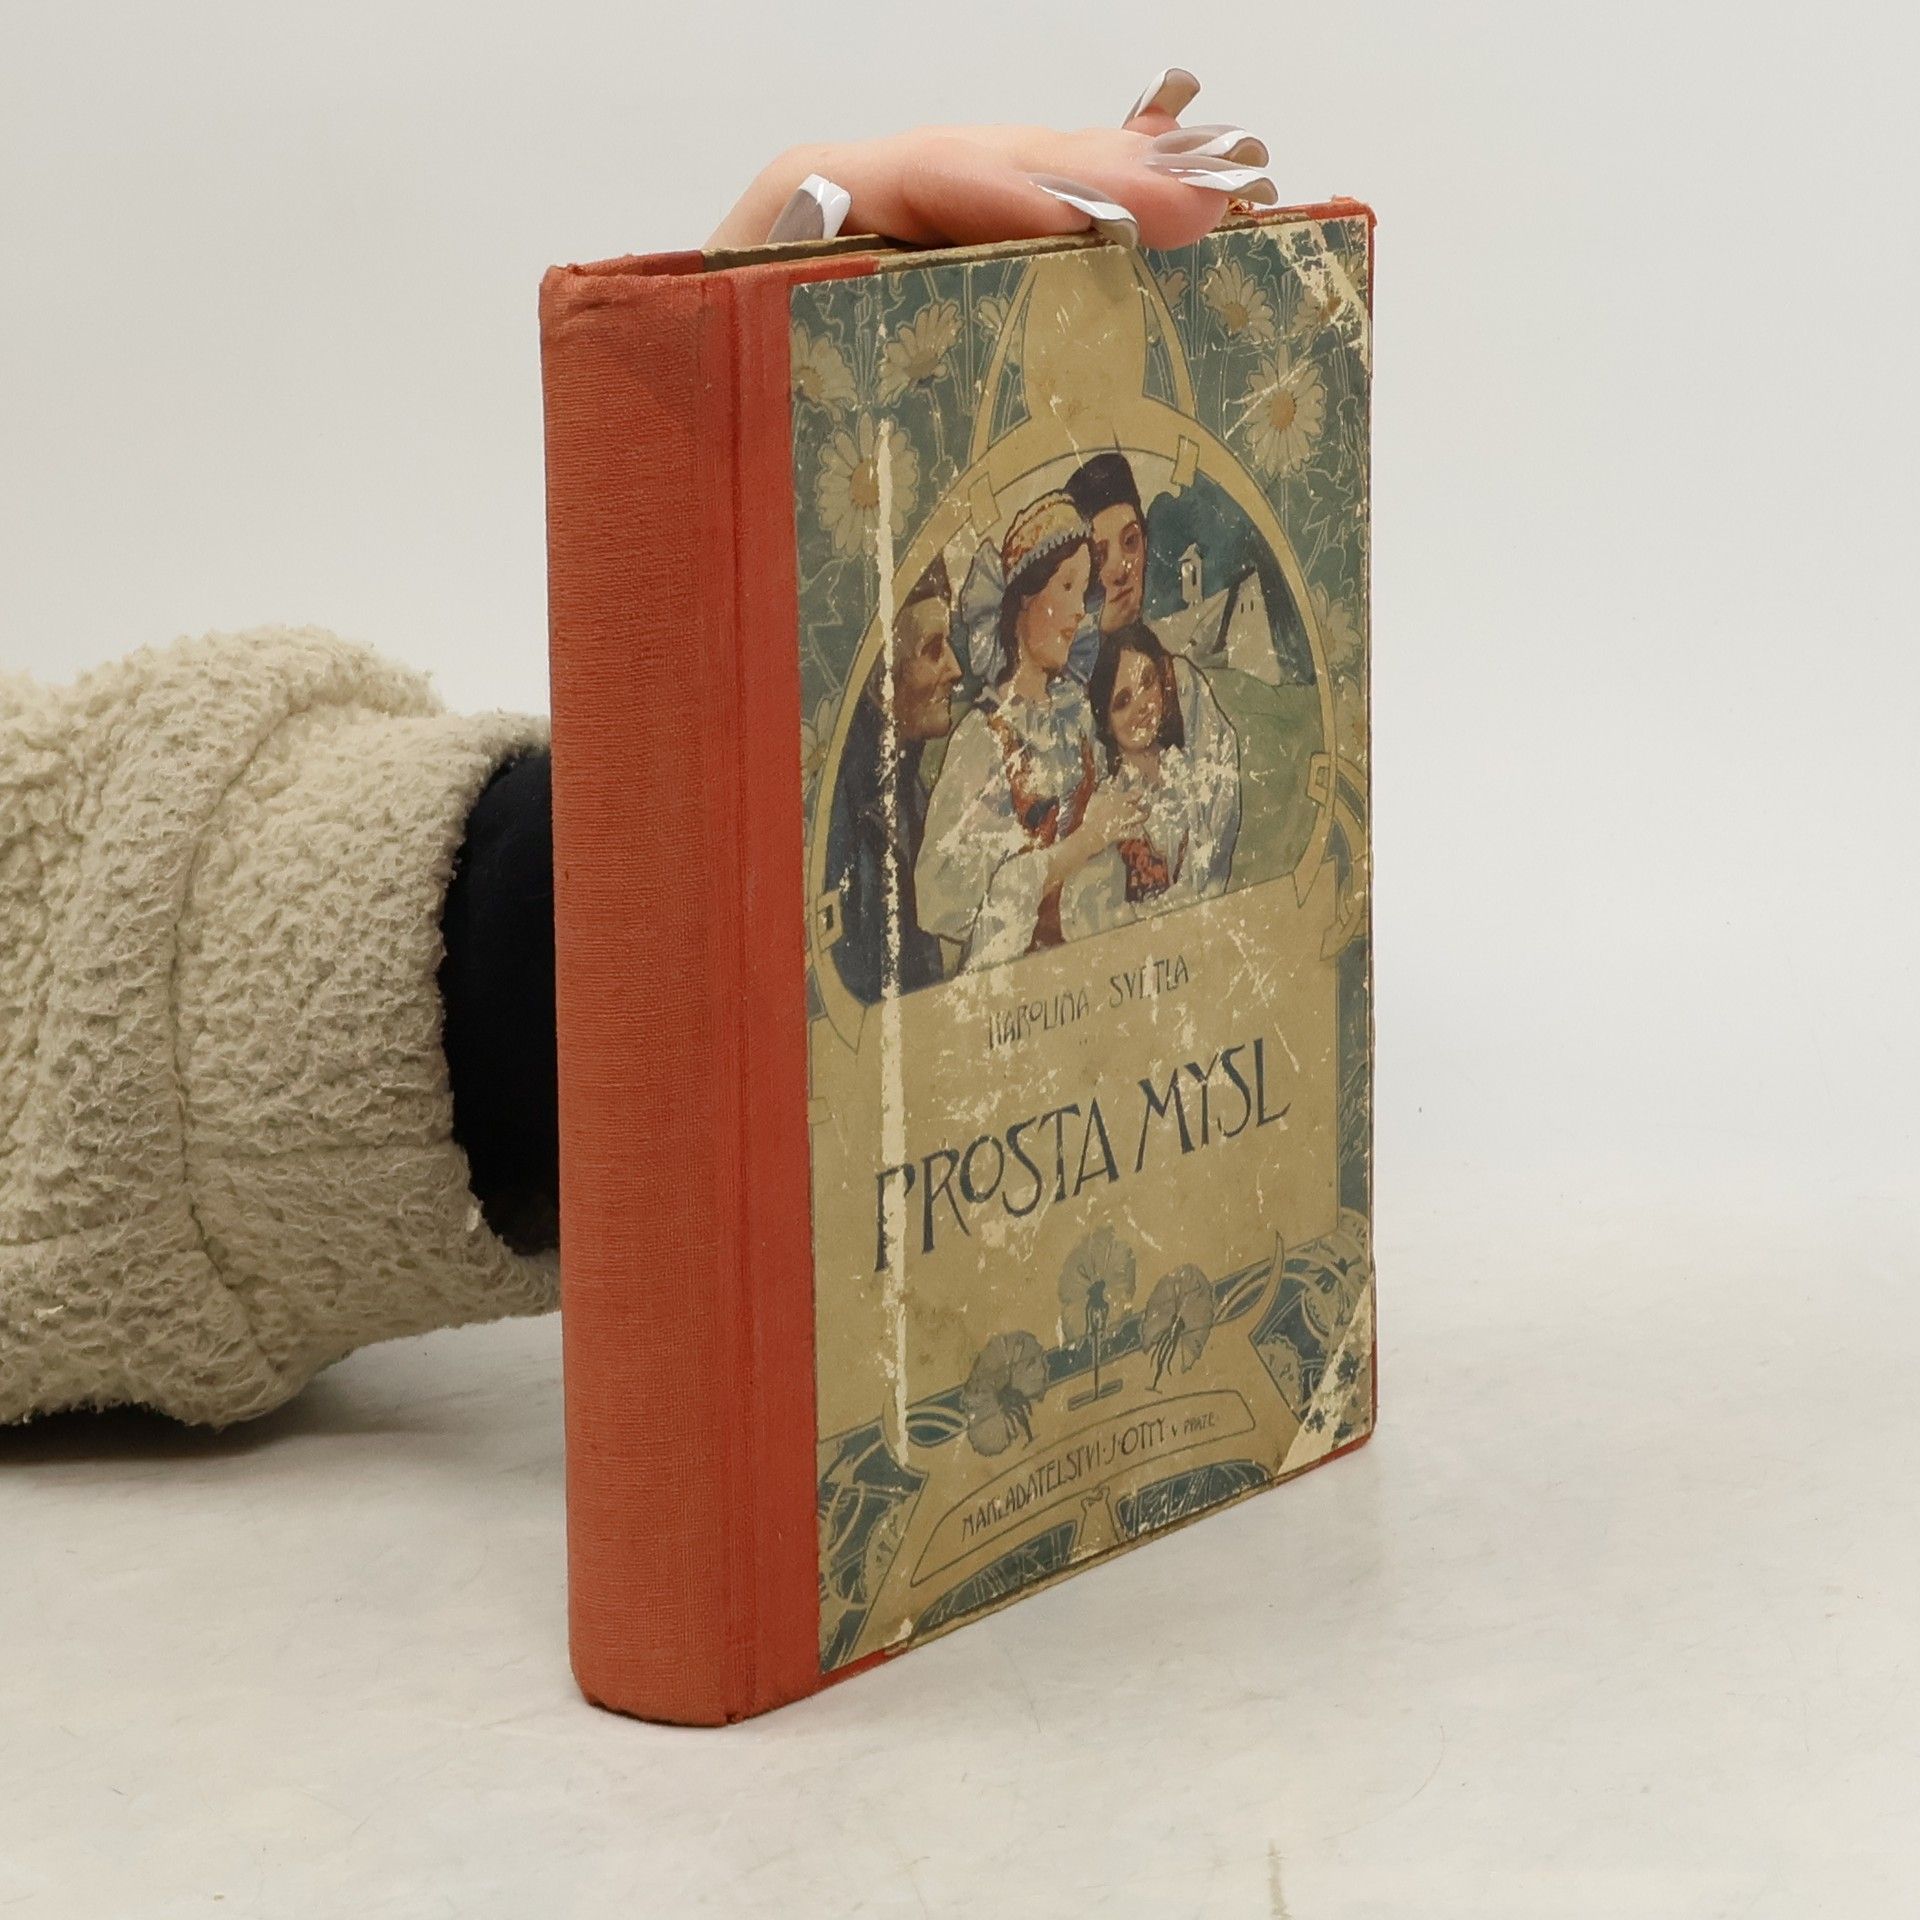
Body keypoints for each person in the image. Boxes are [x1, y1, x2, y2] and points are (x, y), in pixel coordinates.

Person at [0, 81, 1279, 1426]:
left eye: (1102, 576)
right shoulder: (967, 749)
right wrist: (592, 944)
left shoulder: (1106, 709)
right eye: (1066, 583)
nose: (1088, 603)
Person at [914, 494, 1149, 970]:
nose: (1078, 611)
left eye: (1082, 591)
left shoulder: (1076, 718)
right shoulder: (983, 738)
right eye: (1066, 586)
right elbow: (937, 896)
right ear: (1024, 599)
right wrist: (1077, 847)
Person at [823, 554, 964, 1003]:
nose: (956, 669)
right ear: (879, 680)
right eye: (933, 649)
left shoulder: (906, 789)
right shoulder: (847, 812)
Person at [1061, 619, 1241, 937]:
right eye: (1123, 701)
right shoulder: (1106, 807)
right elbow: (1091, 924)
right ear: (1106, 723)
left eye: (1147, 682)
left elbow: (1214, 865)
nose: (1142, 705)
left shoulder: (1193, 777)